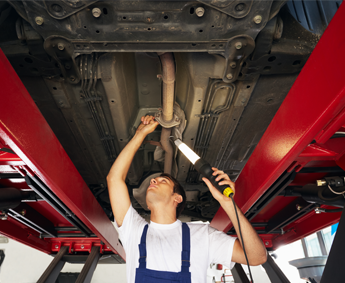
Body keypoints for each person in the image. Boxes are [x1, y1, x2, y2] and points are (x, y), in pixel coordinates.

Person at [107, 115, 267, 283]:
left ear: (177, 198)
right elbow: (114, 179)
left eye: (163, 181)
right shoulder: (134, 230)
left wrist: (228, 204)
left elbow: (256, 257)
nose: (153, 180)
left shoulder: (203, 235)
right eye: (154, 180)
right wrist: (140, 134)